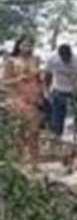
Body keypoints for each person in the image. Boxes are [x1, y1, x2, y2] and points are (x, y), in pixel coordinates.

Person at [0, 35, 45, 170]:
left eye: (30, 45)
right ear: (18, 46)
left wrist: (42, 93)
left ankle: (35, 163)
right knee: (20, 133)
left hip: (33, 100)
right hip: (17, 100)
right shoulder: (11, 62)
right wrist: (18, 79)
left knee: (34, 132)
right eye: (24, 45)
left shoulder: (36, 60)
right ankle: (20, 163)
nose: (27, 48)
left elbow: (39, 80)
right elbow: (3, 82)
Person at [43, 43, 77, 142]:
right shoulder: (52, 60)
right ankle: (57, 136)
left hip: (75, 91)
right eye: (63, 57)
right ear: (59, 55)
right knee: (57, 114)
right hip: (58, 89)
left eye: (67, 57)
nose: (65, 59)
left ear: (70, 54)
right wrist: (47, 89)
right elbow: (48, 74)